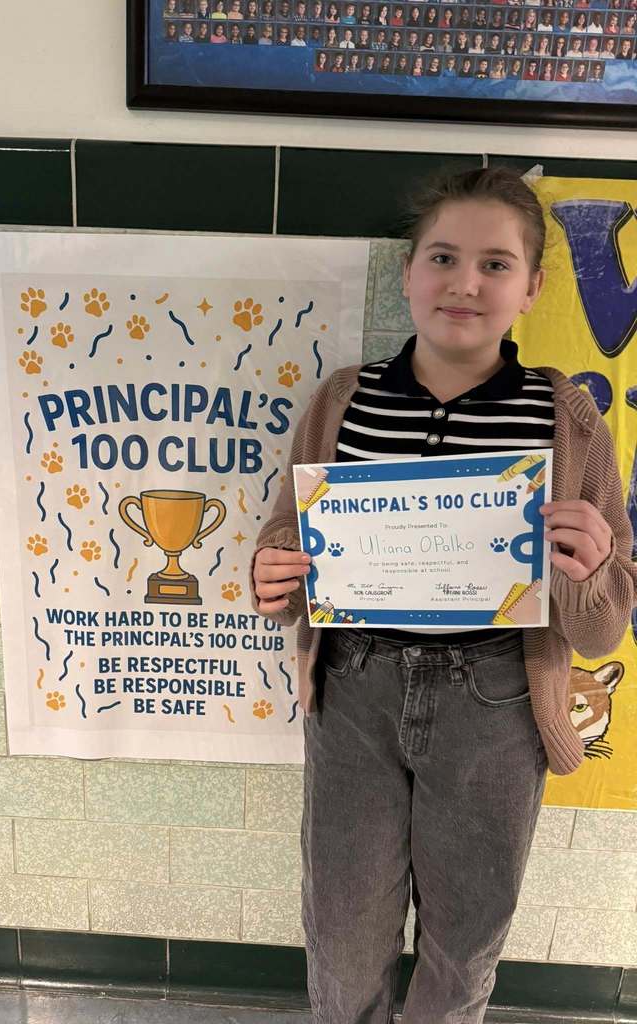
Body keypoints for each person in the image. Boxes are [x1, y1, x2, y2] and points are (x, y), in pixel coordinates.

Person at [250, 166, 637, 1024]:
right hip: (354, 691)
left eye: (496, 264)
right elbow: (287, 538)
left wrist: (593, 566)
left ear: (533, 287)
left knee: (464, 942)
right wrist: (275, 570)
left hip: (496, 700)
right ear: (410, 272)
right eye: (444, 257)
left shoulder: (564, 418)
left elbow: (607, 624)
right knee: (343, 930)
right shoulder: (343, 401)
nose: (465, 283)